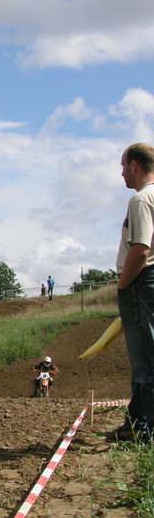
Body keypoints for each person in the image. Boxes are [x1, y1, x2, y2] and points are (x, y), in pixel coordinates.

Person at [114, 142, 154, 441]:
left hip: (141, 283)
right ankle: (137, 420)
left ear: (135, 166)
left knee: (144, 357)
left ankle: (144, 429)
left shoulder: (140, 200)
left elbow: (140, 249)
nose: (122, 174)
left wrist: (123, 284)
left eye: (123, 166)